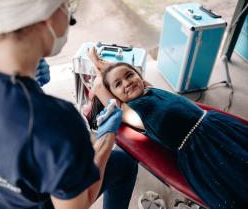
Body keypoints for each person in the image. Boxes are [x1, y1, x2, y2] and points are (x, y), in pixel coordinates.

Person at [0, 0, 138, 209]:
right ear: (46, 15)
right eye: (67, 4)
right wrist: (106, 137)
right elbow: (75, 206)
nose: (69, 15)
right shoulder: (57, 123)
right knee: (124, 164)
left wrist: (27, 86)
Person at [87, 47, 248, 209]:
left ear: (140, 77)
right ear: (114, 96)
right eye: (118, 84)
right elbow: (100, 88)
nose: (127, 82)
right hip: (204, 149)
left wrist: (105, 65)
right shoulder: (133, 113)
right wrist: (96, 68)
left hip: (216, 126)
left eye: (129, 75)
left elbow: (126, 73)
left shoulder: (149, 89)